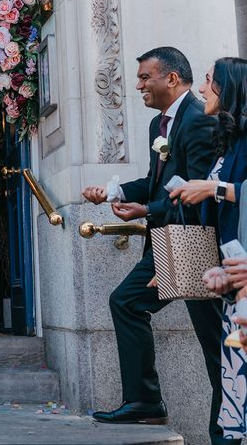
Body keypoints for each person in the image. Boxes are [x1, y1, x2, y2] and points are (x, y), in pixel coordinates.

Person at [82, 47, 225, 442]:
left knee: (216, 345)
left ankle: (223, 433)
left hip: (194, 245)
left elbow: (195, 194)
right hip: (166, 241)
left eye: (146, 77)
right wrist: (111, 190)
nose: (139, 85)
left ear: (172, 79)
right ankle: (144, 401)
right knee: (126, 301)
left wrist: (146, 208)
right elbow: (156, 181)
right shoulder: (157, 126)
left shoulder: (198, 122)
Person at [170, 57, 247, 441]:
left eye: (208, 81)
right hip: (227, 275)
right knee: (229, 372)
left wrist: (211, 188)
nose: (202, 89)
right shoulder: (227, 140)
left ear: (229, 87)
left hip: (242, 274)